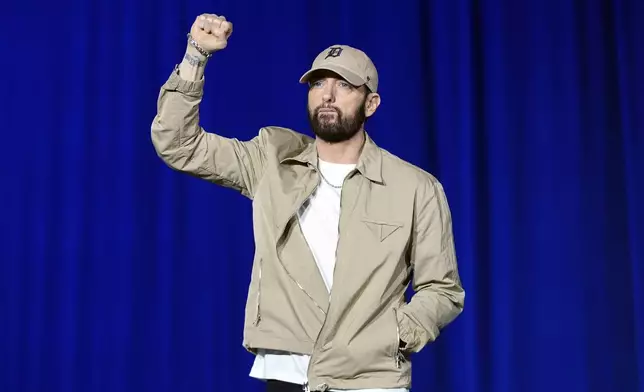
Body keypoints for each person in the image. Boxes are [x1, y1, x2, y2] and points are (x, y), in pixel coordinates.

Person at [151, 12, 465, 392]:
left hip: (370, 380)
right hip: (286, 374)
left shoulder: (416, 188)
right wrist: (196, 54)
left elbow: (443, 290)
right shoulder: (270, 158)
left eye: (345, 85)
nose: (327, 95)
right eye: (318, 84)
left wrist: (394, 335)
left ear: (372, 103)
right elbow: (178, 144)